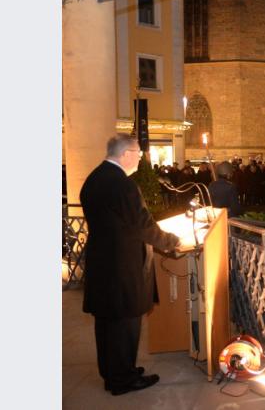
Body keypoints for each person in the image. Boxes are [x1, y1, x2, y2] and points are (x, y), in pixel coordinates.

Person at [80, 134, 181, 395]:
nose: (140, 156)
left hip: (102, 262)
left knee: (107, 324)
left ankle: (113, 372)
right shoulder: (123, 185)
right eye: (137, 152)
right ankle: (123, 380)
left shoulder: (94, 178)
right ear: (125, 154)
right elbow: (142, 226)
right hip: (122, 266)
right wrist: (171, 241)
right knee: (125, 324)